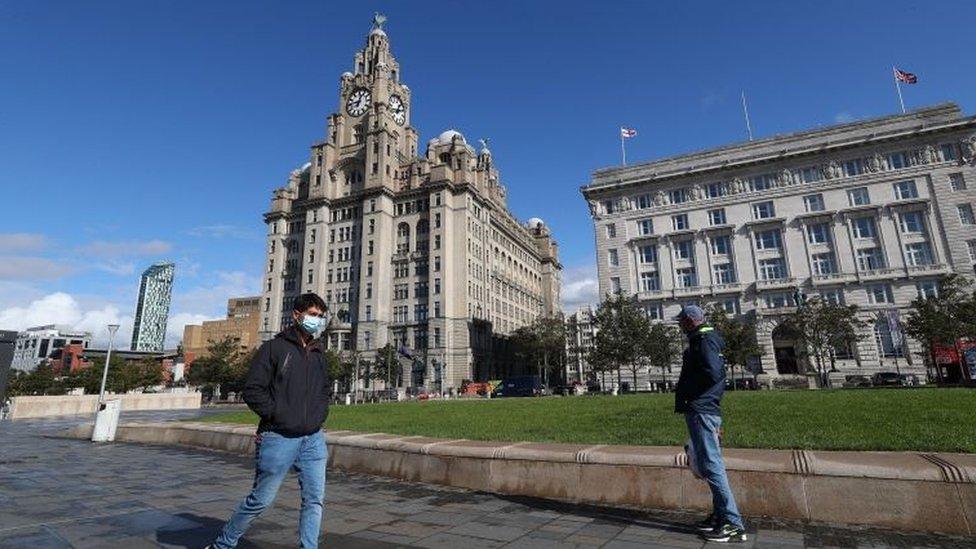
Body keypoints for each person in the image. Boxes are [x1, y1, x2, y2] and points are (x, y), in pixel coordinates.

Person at [207, 293, 332, 549]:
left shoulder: (319, 352)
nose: (317, 321)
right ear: (297, 315)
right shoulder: (274, 348)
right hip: (278, 437)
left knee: (314, 500)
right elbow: (253, 390)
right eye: (312, 315)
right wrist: (279, 415)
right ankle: (223, 544)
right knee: (260, 500)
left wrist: (320, 415)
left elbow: (323, 389)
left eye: (320, 317)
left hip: (313, 439)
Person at [674, 305, 747, 543]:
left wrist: (691, 395)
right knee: (708, 464)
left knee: (713, 466)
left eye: (681, 322)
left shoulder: (704, 340)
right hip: (703, 408)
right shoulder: (703, 339)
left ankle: (733, 523)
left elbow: (714, 373)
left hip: (702, 409)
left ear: (689, 321)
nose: (679, 326)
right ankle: (720, 515)